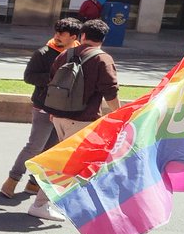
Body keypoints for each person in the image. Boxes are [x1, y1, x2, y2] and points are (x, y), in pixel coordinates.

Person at [30, 19, 119, 222]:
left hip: (59, 117)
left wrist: (54, 110)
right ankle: (40, 204)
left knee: (76, 163)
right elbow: (110, 91)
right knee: (66, 165)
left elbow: (53, 83)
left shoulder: (66, 54)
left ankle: (72, 202)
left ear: (82, 36)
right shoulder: (102, 59)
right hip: (81, 119)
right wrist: (118, 114)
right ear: (103, 39)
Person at [0, 18, 80, 200]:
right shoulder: (43, 53)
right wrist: (55, 80)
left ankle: (34, 183)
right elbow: (29, 77)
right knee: (34, 146)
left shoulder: (77, 53)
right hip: (43, 107)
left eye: (62, 33)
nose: (57, 36)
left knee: (50, 150)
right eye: (56, 32)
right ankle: (12, 180)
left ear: (73, 37)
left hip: (64, 110)